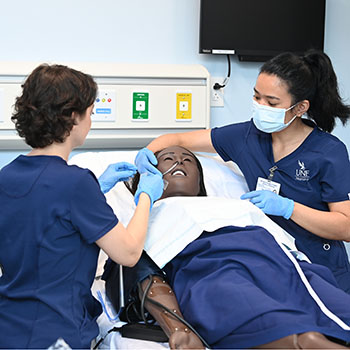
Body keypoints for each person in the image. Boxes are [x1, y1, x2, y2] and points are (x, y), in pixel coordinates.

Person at [135, 50, 350, 293]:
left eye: (271, 102)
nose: (260, 106)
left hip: (322, 271)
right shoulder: (246, 137)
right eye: (256, 97)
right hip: (272, 267)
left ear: (300, 107)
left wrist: (288, 208)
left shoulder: (329, 152)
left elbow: (346, 226)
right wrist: (145, 155)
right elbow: (178, 138)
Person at [103, 145, 350, 349]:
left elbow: (286, 246)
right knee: (277, 326)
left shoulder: (234, 204)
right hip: (214, 270)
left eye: (188, 160)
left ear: (200, 180)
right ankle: (305, 341)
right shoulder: (144, 216)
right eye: (167, 159)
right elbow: (128, 263)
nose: (179, 162)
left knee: (338, 310)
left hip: (278, 264)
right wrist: (177, 327)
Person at [0, 64, 164, 349]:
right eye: (91, 111)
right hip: (56, 335)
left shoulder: (6, 175)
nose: (91, 119)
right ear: (73, 117)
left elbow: (40, 218)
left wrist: (95, 190)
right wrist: (146, 197)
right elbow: (128, 253)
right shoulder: (76, 183)